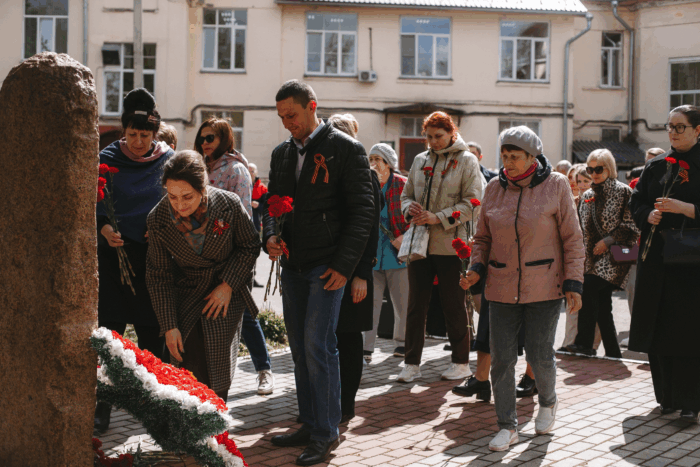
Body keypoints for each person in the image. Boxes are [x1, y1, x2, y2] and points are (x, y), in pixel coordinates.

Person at [263, 80, 374, 465]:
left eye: (291, 115)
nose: (287, 123)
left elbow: (363, 213)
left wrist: (345, 266)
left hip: (327, 266)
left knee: (318, 345)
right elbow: (271, 203)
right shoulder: (281, 153)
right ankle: (310, 423)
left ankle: (326, 433)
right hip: (293, 264)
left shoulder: (346, 149)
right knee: (299, 347)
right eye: (281, 117)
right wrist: (270, 236)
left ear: (312, 107)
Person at [461, 126, 584, 451]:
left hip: (545, 285)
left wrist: (573, 283)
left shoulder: (556, 185)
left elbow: (573, 238)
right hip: (500, 286)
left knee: (539, 354)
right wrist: (475, 269)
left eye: (515, 156)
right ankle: (507, 426)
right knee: (501, 359)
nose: (508, 163)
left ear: (533, 157)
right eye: (504, 156)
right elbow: (482, 238)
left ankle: (548, 401)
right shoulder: (493, 187)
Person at [145, 150, 260, 403]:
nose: (180, 205)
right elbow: (158, 276)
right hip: (187, 293)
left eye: (187, 196)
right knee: (185, 365)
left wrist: (228, 285)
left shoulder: (229, 204)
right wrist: (169, 326)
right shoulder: (158, 218)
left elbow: (250, 245)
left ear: (203, 187)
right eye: (172, 196)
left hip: (224, 293)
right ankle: (191, 425)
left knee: (216, 371)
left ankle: (216, 422)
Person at [94, 88, 173, 434]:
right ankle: (102, 406)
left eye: (145, 135)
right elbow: (94, 199)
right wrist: (104, 226)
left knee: (152, 337)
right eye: (132, 134)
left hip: (151, 263)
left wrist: (162, 229)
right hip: (114, 258)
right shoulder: (107, 158)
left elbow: (178, 203)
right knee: (110, 337)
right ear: (123, 131)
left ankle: (157, 409)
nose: (139, 142)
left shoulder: (168, 160)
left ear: (155, 132)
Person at [398, 111, 485, 383]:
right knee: (416, 306)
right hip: (419, 244)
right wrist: (409, 209)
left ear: (451, 133)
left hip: (452, 245)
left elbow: (473, 204)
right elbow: (405, 195)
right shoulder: (419, 160)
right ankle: (411, 364)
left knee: (453, 304)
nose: (433, 141)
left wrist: (438, 217)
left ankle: (461, 363)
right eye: (429, 137)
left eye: (438, 136)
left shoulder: (467, 160)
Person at [193, 117, 274, 395]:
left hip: (231, 254)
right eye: (202, 138)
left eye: (210, 138)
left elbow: (241, 216)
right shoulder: (199, 167)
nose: (205, 143)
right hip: (200, 256)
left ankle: (264, 370)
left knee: (244, 314)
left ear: (224, 139)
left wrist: (213, 235)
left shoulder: (236, 169)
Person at [629, 105, 700, 421]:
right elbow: (637, 202)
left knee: (687, 330)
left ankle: (690, 402)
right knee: (657, 327)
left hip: (691, 263)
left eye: (680, 127)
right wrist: (648, 215)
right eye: (669, 126)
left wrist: (685, 208)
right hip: (656, 259)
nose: (672, 132)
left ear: (698, 130)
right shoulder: (656, 165)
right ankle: (666, 398)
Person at [327, 113, 382, 424]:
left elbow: (369, 229)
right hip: (329, 267)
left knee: (348, 338)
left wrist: (361, 273)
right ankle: (329, 401)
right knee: (330, 336)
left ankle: (346, 404)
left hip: (355, 270)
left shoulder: (366, 175)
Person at [566, 150, 639, 358]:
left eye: (598, 169)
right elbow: (580, 229)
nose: (594, 174)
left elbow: (632, 226)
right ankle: (613, 351)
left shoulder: (623, 192)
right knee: (603, 307)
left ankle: (584, 343)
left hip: (615, 257)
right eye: (590, 169)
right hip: (591, 261)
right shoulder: (587, 195)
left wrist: (608, 241)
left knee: (588, 289)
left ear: (609, 168)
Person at [363, 143, 410, 361]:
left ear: (389, 163)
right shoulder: (366, 184)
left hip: (397, 254)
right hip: (373, 255)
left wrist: (405, 238)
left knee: (402, 304)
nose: (373, 163)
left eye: (377, 159)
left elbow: (416, 216)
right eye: (371, 159)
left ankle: (402, 343)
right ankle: (366, 347)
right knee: (370, 304)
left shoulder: (402, 184)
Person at [559, 164, 602, 352]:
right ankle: (569, 342)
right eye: (578, 181)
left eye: (586, 181)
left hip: (596, 260)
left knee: (594, 306)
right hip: (575, 259)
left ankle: (592, 344)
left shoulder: (598, 201)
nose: (581, 185)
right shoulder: (573, 202)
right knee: (572, 300)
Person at [249, 163, 268, 234]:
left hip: (256, 225)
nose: (250, 173)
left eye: (252, 171)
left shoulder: (262, 188)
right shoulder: (240, 186)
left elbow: (267, 208)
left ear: (256, 172)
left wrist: (258, 205)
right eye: (248, 171)